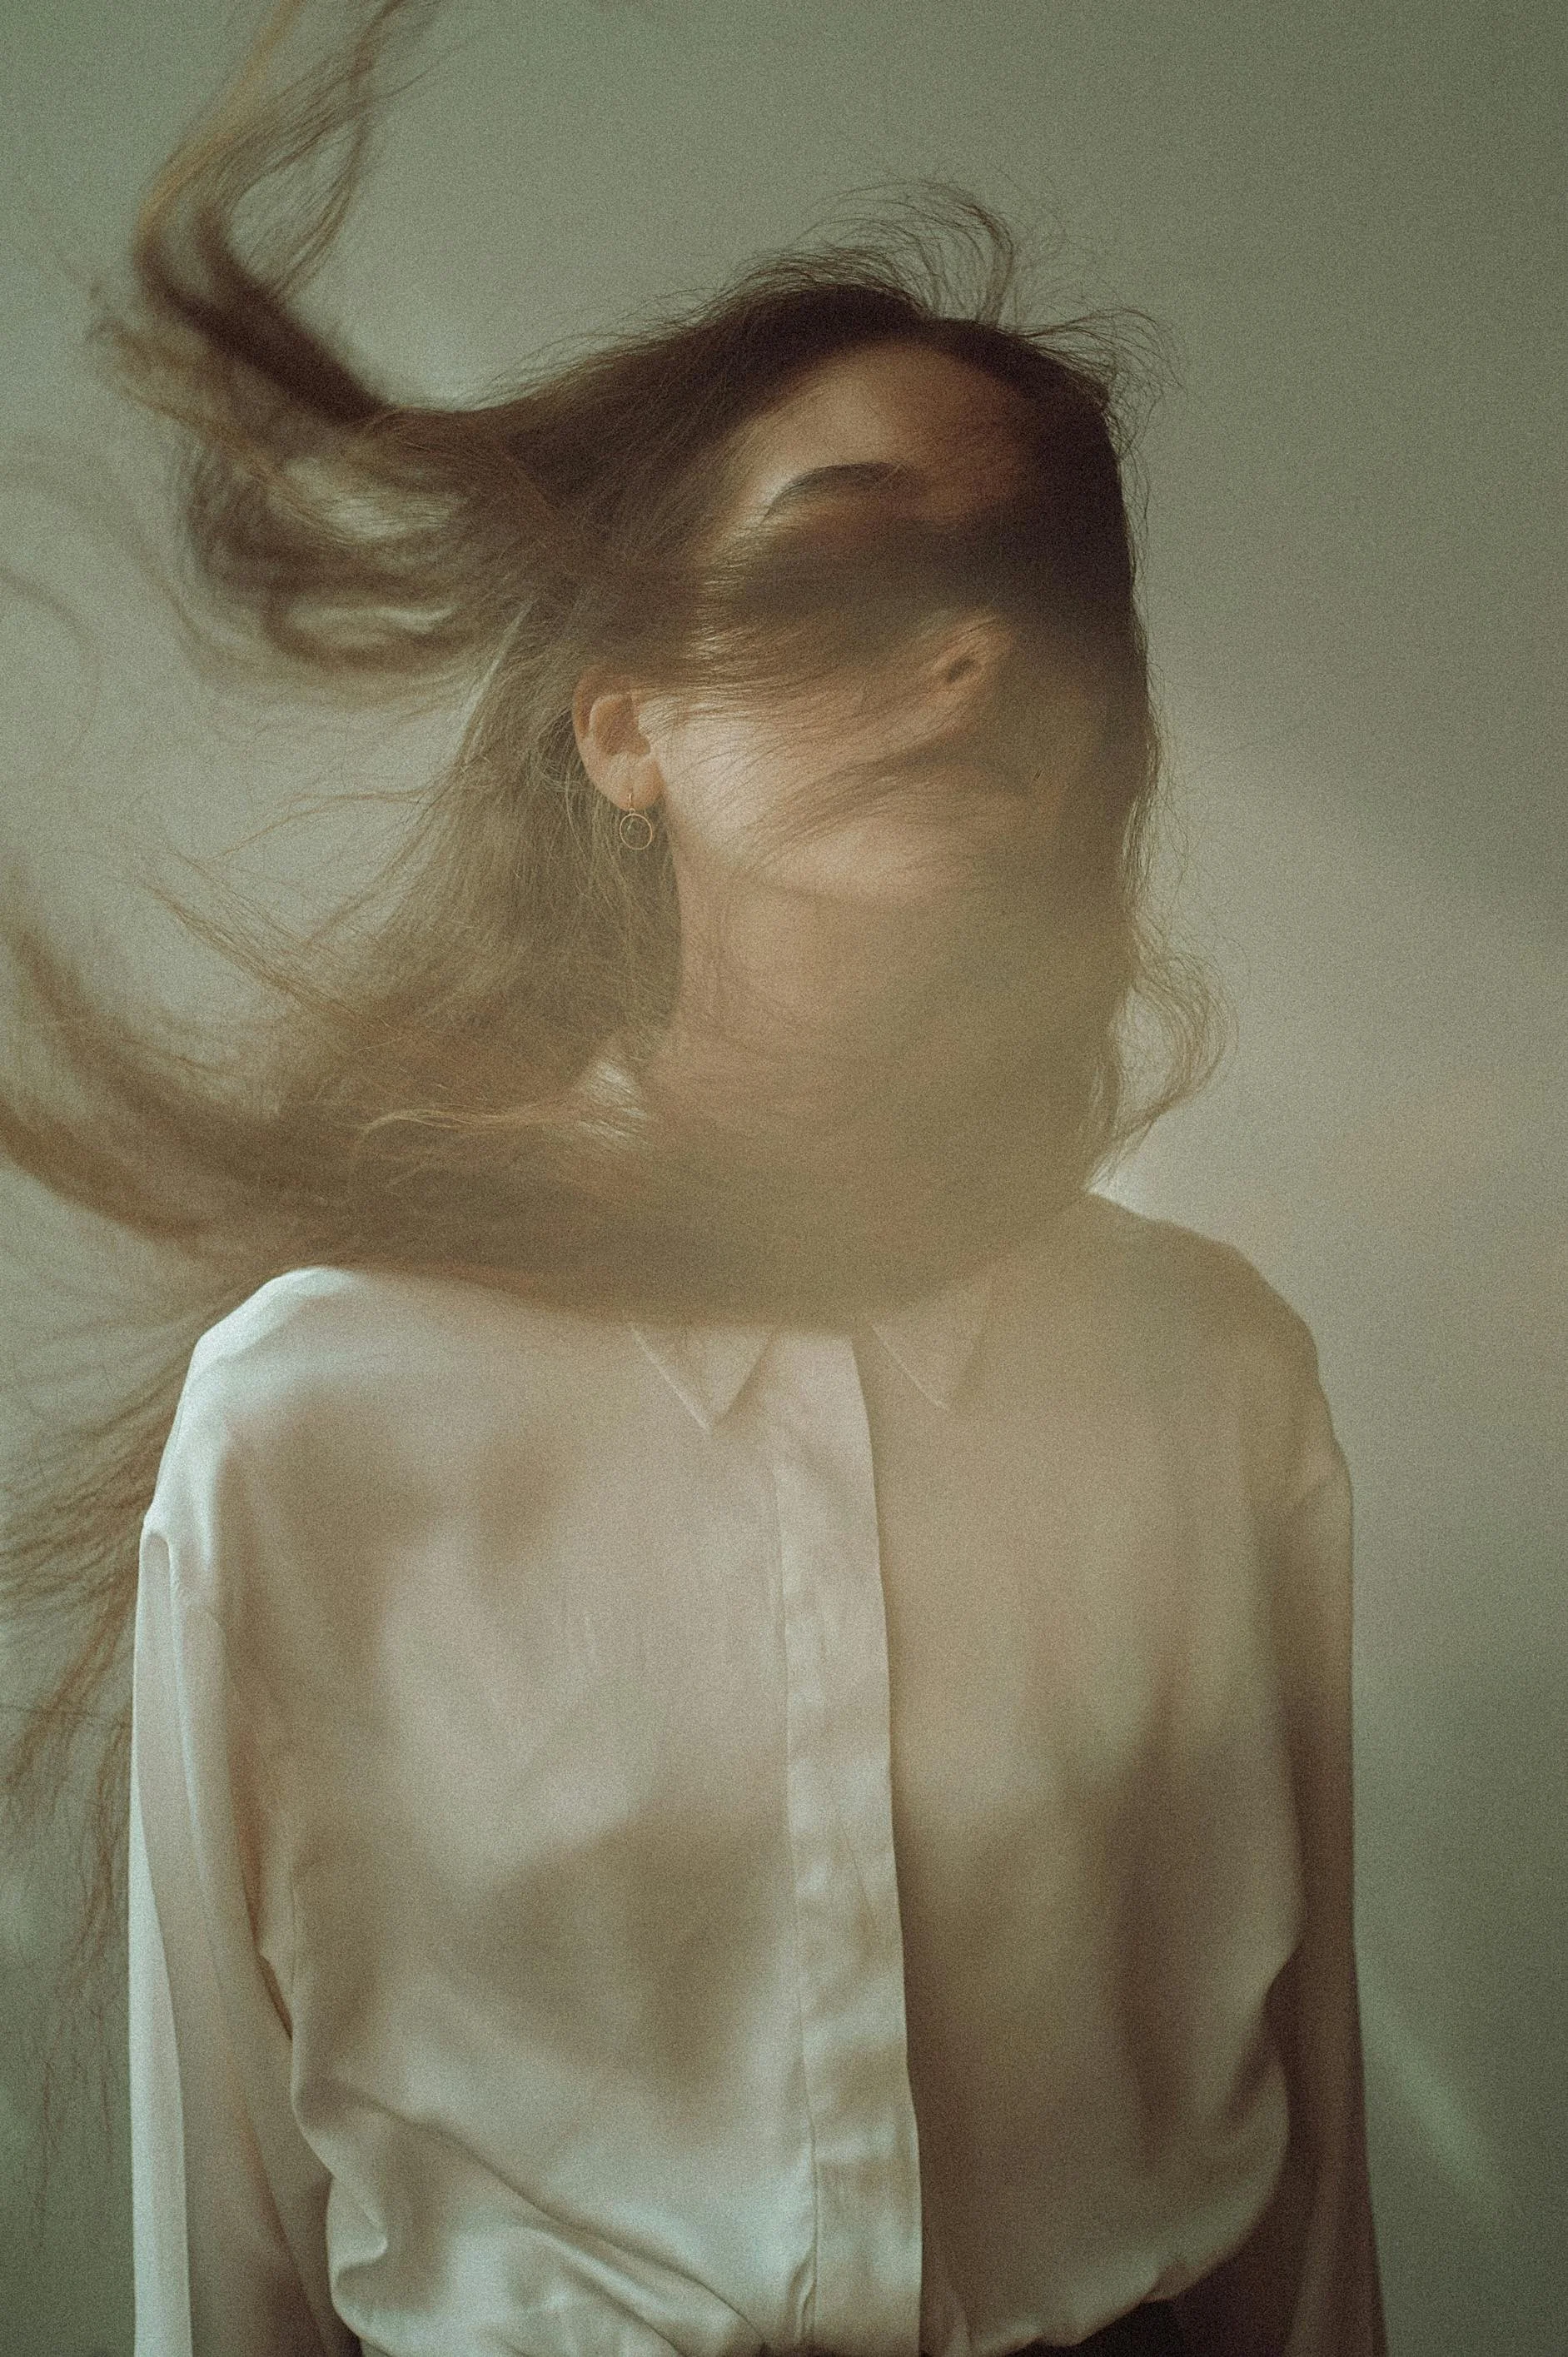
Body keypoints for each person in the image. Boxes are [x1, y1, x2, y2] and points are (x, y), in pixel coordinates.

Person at [1, 5, 1386, 2353]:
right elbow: (228, 2238)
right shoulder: (316, 1414)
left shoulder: (1210, 1384)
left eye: (1044, 592)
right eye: (840, 573)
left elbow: (1314, 2199)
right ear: (621, 726)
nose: (965, 649)